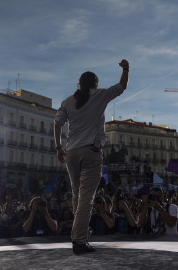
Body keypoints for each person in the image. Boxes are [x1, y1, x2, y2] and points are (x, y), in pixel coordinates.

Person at [54, 59, 129, 254]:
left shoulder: (68, 101)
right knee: (86, 198)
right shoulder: (100, 95)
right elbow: (122, 86)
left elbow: (57, 124)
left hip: (71, 153)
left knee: (78, 196)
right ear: (95, 84)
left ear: (79, 84)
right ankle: (79, 240)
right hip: (91, 152)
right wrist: (126, 68)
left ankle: (80, 235)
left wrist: (58, 147)